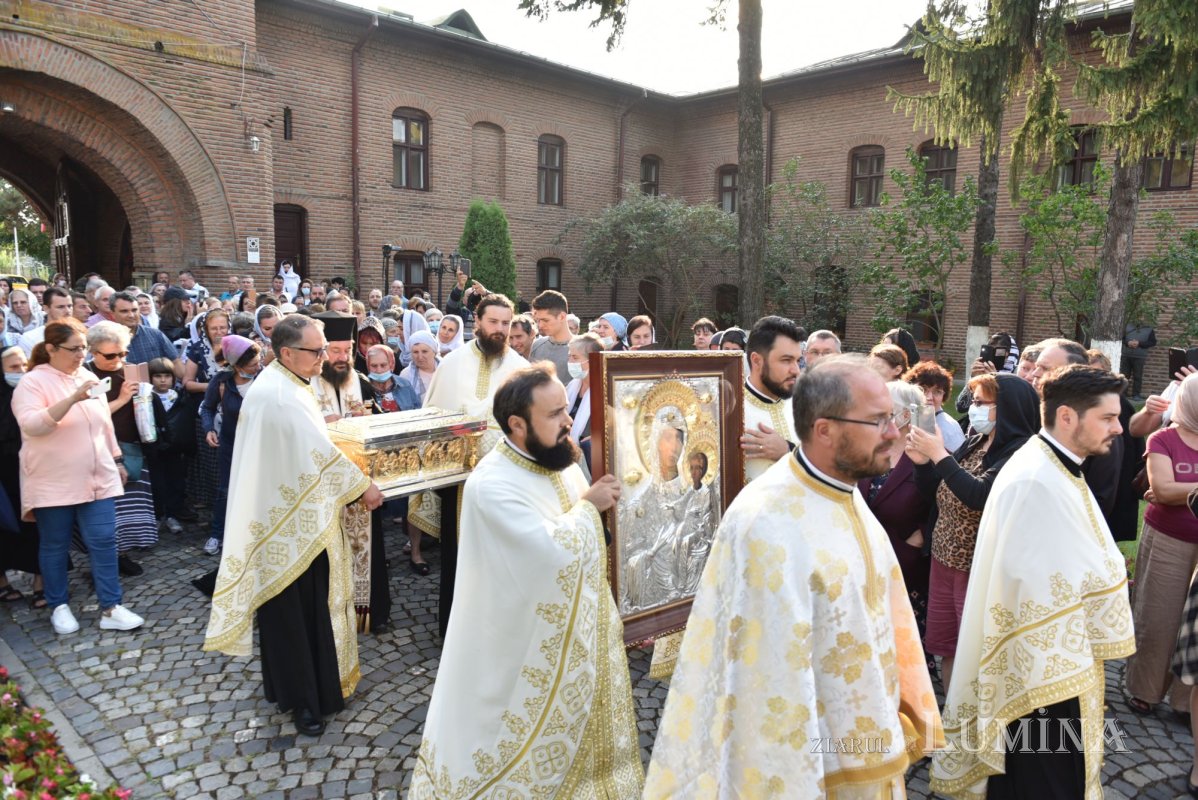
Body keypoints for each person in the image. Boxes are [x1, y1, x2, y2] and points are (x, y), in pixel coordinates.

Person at [645, 355, 943, 797]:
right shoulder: (768, 525)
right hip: (814, 767)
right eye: (878, 421)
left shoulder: (841, 490)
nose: (894, 434)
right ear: (824, 429)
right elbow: (767, 687)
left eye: (893, 419)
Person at [409, 363, 644, 797]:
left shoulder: (559, 459)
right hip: (520, 647)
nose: (569, 421)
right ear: (517, 424)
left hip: (580, 632)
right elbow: (549, 555)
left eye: (566, 409)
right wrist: (590, 510)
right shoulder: (492, 485)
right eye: (555, 414)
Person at [930, 366, 1134, 799]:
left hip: (1056, 659)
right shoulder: (1035, 480)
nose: (1119, 428)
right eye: (1108, 417)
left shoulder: (1055, 465)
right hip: (1040, 670)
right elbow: (1031, 584)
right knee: (1045, 782)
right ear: (1066, 416)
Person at [203, 315, 384, 737]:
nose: (323, 357)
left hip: (294, 519)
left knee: (303, 613)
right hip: (291, 528)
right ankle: (306, 700)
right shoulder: (280, 394)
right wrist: (364, 487)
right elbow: (317, 455)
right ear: (287, 353)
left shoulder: (284, 383)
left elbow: (306, 445)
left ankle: (306, 689)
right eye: (316, 350)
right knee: (298, 617)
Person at [907, 372, 1040, 693]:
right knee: (950, 647)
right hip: (945, 558)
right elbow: (939, 490)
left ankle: (974, 720)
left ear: (1007, 408)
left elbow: (980, 495)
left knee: (976, 651)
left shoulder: (1022, 451)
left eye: (982, 403)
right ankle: (955, 714)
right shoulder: (978, 439)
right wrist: (924, 462)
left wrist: (939, 454)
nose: (974, 409)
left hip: (978, 567)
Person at [13, 318, 145, 635]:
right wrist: (72, 399)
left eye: (83, 348)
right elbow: (32, 425)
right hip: (53, 479)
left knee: (103, 541)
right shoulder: (32, 382)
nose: (79, 355)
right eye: (74, 349)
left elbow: (103, 423)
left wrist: (117, 459)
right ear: (51, 349)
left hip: (97, 474)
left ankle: (111, 606)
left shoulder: (86, 375)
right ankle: (58, 605)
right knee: (55, 544)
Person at [423, 293, 529, 635]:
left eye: (506, 324)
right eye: (493, 322)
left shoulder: (521, 371)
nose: (499, 330)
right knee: (458, 559)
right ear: (478, 322)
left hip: (505, 486)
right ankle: (455, 632)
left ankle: (498, 634)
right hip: (461, 484)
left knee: (502, 561)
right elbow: (432, 422)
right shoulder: (451, 365)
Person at [310, 311, 391, 631]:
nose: (343, 357)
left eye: (348, 349)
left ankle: (369, 614)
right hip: (322, 487)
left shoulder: (363, 384)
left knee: (367, 550)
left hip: (360, 482)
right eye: (335, 350)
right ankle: (330, 617)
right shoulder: (304, 387)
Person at [1125, 373, 1198, 717]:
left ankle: (1186, 701)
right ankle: (1145, 690)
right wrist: (1175, 490)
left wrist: (1180, 487)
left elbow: (1171, 489)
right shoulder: (1164, 438)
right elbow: (1164, 490)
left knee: (1194, 625)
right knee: (1158, 616)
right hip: (1168, 541)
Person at [859, 381, 934, 664]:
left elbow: (943, 503)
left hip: (906, 567)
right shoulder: (868, 448)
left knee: (904, 656)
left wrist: (922, 536)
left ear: (905, 415)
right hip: (865, 562)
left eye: (884, 410)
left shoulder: (928, 453)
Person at [86, 321, 158, 577]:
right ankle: (104, 560)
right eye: (110, 355)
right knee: (106, 512)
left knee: (128, 508)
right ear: (93, 351)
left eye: (123, 353)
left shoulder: (130, 371)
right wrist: (122, 399)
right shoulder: (87, 375)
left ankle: (122, 554)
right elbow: (89, 415)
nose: (118, 359)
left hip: (132, 448)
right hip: (99, 450)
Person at [199, 335, 262, 556]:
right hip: (230, 444)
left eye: (258, 362)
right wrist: (208, 429)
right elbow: (207, 408)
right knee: (226, 490)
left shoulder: (264, 378)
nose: (257, 367)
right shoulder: (222, 381)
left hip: (259, 445)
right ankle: (217, 534)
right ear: (236, 365)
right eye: (251, 365)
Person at [0, 346, 43, 608]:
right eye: (14, 368)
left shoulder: (33, 391)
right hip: (3, 474)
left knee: (38, 526)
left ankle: (42, 580)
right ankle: (2, 581)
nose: (21, 371)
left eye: (24, 365)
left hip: (32, 469)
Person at [741, 315, 803, 480]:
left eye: (798, 360)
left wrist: (787, 451)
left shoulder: (804, 405)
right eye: (786, 360)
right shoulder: (729, 411)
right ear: (757, 361)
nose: (796, 370)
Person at [144, 356, 194, 535]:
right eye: (158, 376)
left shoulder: (178, 397)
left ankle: (172, 514)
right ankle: (158, 514)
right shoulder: (146, 397)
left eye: (167, 376)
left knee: (176, 481)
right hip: (155, 448)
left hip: (175, 448)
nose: (163, 380)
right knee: (156, 482)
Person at [905, 360, 967, 452]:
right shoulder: (905, 418)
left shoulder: (947, 428)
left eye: (937, 392)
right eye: (923, 389)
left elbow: (958, 463)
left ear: (944, 396)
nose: (929, 397)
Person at [565, 332, 602, 471]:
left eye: (575, 357)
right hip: (567, 457)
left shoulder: (604, 391)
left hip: (591, 463)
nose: (570, 362)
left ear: (592, 360)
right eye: (569, 356)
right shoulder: (571, 386)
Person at [529, 290, 572, 384]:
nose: (540, 325)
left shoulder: (582, 347)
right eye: (538, 320)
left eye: (545, 320)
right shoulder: (537, 345)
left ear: (562, 317)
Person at [18, 287, 73, 356]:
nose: (68, 311)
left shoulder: (80, 334)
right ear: (46, 309)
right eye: (60, 307)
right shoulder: (30, 338)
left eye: (70, 306)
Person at [398, 330, 439, 406]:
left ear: (434, 351)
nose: (420, 357)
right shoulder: (406, 375)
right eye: (415, 352)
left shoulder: (445, 369)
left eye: (424, 351)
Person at [1123, 320, 1156, 399]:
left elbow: (1152, 342)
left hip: (1140, 356)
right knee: (1124, 376)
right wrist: (1128, 343)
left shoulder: (1149, 328)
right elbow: (1121, 339)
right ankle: (1123, 394)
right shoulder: (1127, 326)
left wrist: (1139, 343)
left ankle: (1136, 395)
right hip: (1125, 355)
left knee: (1137, 376)